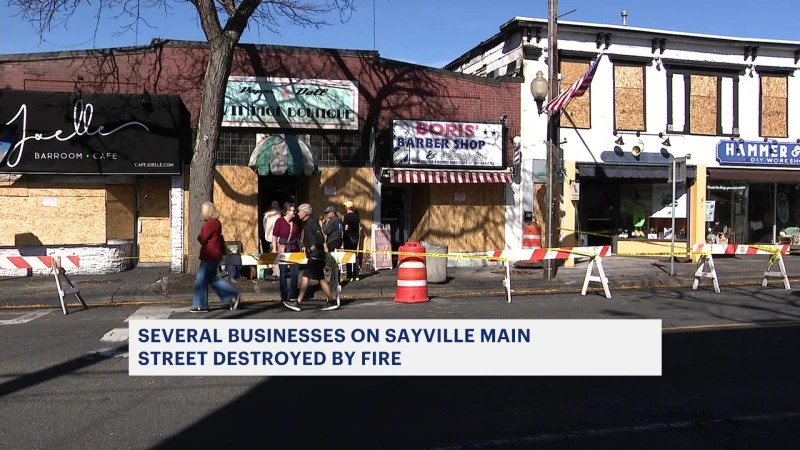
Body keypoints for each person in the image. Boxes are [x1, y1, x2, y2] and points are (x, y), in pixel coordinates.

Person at [283, 203, 338, 312]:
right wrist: (306, 247)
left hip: (316, 256)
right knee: (321, 279)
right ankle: (331, 301)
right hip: (315, 256)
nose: (298, 213)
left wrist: (310, 249)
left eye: (299, 211)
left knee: (305, 277)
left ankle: (297, 302)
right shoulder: (307, 223)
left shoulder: (312, 223)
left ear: (306, 213)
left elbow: (320, 239)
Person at [191, 202, 240, 313]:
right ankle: (230, 295)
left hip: (209, 254)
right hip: (215, 254)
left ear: (206, 211)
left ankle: (202, 305)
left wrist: (199, 237)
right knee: (211, 278)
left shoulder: (210, 224)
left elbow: (203, 239)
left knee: (201, 280)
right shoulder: (217, 223)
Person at [272, 202, 301, 303]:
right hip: (282, 249)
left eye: (295, 211)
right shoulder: (279, 221)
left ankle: (293, 295)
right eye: (293, 211)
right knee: (283, 273)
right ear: (286, 212)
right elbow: (274, 236)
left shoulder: (295, 223)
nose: (295, 212)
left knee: (295, 273)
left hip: (293, 249)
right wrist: (275, 250)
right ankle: (284, 295)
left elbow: (298, 237)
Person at [342, 200, 361, 281]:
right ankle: (356, 275)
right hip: (356, 237)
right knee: (354, 255)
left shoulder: (347, 217)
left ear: (347, 207)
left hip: (348, 238)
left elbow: (346, 227)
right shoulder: (357, 217)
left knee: (348, 256)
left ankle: (349, 276)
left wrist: (342, 230)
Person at [262, 201, 281, 280]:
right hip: (278, 236)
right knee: (277, 252)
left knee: (273, 251)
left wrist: (265, 231)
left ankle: (275, 271)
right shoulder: (280, 214)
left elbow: (264, 224)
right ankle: (277, 271)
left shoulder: (267, 214)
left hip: (269, 236)